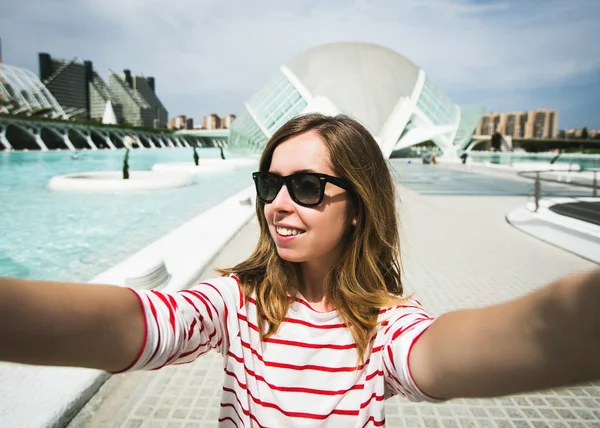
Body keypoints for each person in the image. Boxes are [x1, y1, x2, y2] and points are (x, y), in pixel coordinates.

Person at [0, 114, 599, 427]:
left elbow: (452, 352)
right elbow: (141, 323)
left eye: (307, 187)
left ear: (359, 207)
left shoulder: (385, 327)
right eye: (270, 184)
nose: (278, 204)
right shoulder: (239, 299)